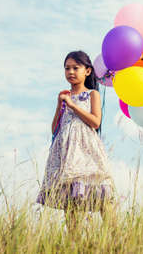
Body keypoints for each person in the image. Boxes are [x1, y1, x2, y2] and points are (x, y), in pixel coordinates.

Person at [35, 50, 117, 232]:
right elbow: (55, 128)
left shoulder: (92, 94)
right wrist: (60, 105)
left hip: (86, 150)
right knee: (71, 200)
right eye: (67, 68)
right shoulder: (64, 95)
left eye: (75, 68)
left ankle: (116, 240)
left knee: (100, 194)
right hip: (66, 152)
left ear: (87, 71)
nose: (70, 72)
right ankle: (75, 245)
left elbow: (95, 122)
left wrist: (73, 105)